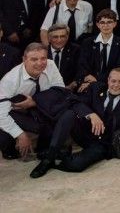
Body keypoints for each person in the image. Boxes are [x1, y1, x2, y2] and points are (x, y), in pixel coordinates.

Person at [0, 43, 71, 175]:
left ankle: (44, 150)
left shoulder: (51, 65)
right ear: (24, 59)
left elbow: (61, 91)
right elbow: (1, 113)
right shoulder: (9, 81)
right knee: (7, 142)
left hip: (39, 106)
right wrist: (20, 134)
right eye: (34, 59)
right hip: (15, 111)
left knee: (62, 111)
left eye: (43, 58)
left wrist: (35, 101)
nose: (40, 63)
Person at [77, 9, 120, 92]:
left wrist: (96, 81)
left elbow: (119, 68)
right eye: (102, 22)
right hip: (88, 84)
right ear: (97, 25)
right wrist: (88, 78)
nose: (106, 25)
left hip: (112, 84)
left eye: (109, 22)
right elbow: (82, 64)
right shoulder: (87, 42)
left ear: (115, 24)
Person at [45, 23, 80, 90]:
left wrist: (72, 85)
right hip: (47, 90)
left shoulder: (76, 50)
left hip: (70, 90)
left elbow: (80, 71)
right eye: (55, 37)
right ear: (49, 38)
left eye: (62, 36)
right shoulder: (43, 52)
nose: (59, 40)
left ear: (67, 37)